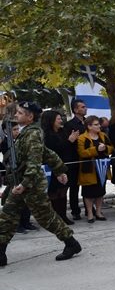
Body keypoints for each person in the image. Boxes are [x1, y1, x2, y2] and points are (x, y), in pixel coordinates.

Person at [0, 101, 82, 266]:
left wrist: (25, 183)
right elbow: (47, 153)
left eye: (20, 113)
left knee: (46, 217)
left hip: (30, 184)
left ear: (30, 117)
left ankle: (71, 243)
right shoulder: (26, 133)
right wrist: (59, 169)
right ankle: (1, 253)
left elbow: (34, 161)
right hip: (19, 183)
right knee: (7, 216)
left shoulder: (33, 134)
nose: (16, 115)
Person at [41, 110, 76, 225]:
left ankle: (63, 215)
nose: (61, 120)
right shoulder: (46, 135)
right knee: (54, 193)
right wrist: (69, 141)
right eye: (58, 119)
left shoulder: (63, 131)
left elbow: (68, 147)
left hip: (66, 165)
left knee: (63, 191)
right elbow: (53, 150)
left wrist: (72, 140)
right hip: (53, 167)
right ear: (51, 121)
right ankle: (55, 218)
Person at [77, 116, 114, 223]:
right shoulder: (82, 138)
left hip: (102, 168)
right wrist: (96, 149)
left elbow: (111, 147)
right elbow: (82, 153)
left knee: (100, 191)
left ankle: (98, 211)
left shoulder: (103, 136)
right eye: (96, 124)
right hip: (89, 169)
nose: (99, 126)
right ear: (89, 126)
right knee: (88, 192)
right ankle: (89, 213)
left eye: (99, 124)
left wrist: (106, 148)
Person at [63, 99, 85, 220]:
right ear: (76, 109)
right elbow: (67, 143)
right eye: (82, 107)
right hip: (74, 159)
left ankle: (89, 208)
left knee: (88, 183)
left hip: (87, 157)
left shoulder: (88, 122)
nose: (84, 108)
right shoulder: (69, 125)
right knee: (74, 186)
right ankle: (75, 210)